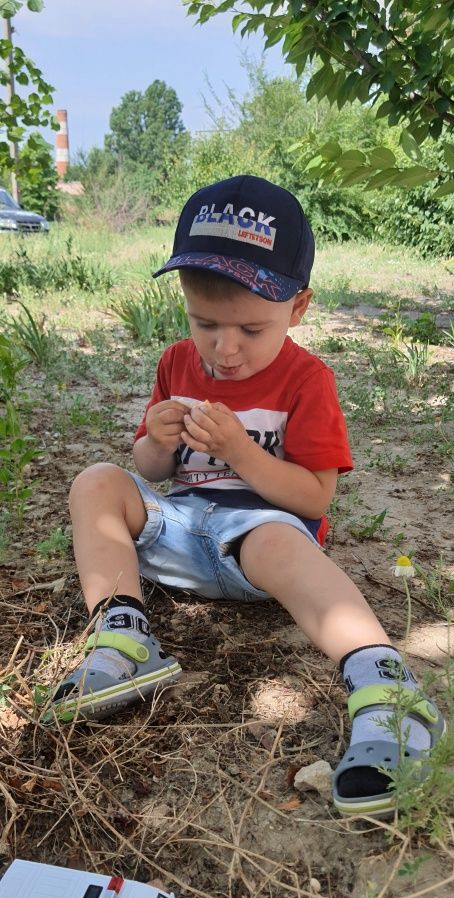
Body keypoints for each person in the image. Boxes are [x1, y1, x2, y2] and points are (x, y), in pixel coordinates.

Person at [52, 175, 445, 817]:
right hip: (178, 532)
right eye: (205, 323)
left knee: (276, 541)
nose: (225, 349)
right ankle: (121, 634)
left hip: (261, 542)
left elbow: (315, 499)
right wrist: (153, 438)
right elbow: (150, 470)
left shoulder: (307, 379)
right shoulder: (178, 362)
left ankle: (387, 689)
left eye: (251, 329)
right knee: (96, 480)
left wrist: (242, 453)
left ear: (298, 308)